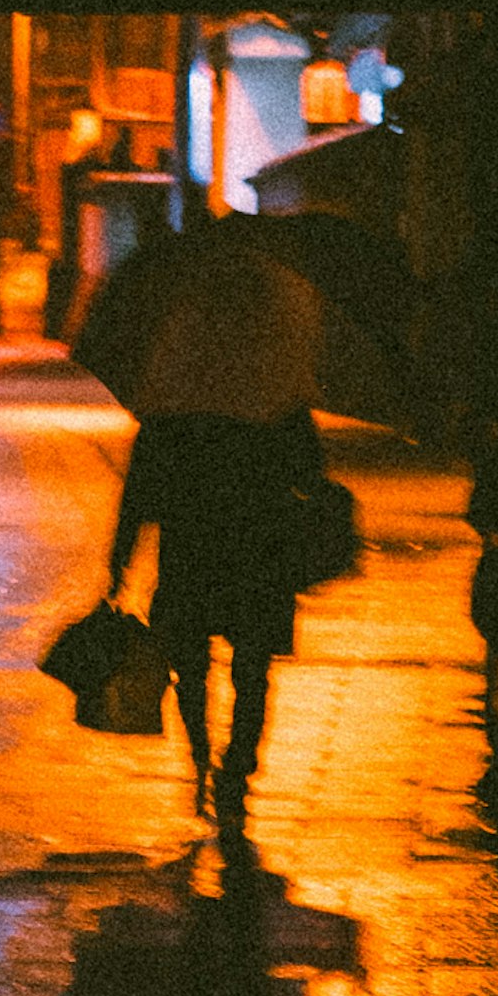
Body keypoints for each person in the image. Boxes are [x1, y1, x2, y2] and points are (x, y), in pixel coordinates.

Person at [100, 221, 329, 846]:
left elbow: (139, 491)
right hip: (261, 547)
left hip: (190, 548)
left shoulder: (170, 402)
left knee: (190, 666)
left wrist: (120, 562)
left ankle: (200, 760)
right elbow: (312, 475)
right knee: (254, 670)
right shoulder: (280, 396)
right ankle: (239, 773)